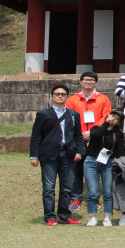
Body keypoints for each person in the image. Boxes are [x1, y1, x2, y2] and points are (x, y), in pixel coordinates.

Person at [30, 84, 85, 226]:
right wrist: (34, 156)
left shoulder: (73, 115)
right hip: (49, 154)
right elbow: (36, 136)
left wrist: (79, 151)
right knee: (48, 187)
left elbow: (78, 135)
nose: (60, 96)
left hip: (68, 153)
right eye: (57, 94)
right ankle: (49, 216)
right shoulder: (43, 114)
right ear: (52, 96)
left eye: (63, 94)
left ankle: (64, 215)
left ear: (67, 96)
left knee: (67, 187)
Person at [66, 72, 113, 211]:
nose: (89, 82)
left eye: (92, 80)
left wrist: (92, 132)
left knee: (95, 169)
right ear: (80, 82)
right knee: (77, 169)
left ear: (96, 82)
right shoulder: (72, 99)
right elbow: (69, 117)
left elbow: (106, 116)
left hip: (97, 139)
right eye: (86, 80)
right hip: (78, 138)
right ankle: (76, 198)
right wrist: (80, 133)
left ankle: (95, 198)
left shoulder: (103, 99)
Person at [81, 111, 125, 227]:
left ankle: (107, 217)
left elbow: (120, 151)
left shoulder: (119, 135)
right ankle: (92, 217)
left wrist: (109, 152)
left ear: (119, 122)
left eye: (116, 118)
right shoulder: (97, 128)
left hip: (107, 162)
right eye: (112, 116)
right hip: (91, 161)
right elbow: (95, 135)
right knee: (93, 192)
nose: (113, 119)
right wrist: (106, 124)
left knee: (107, 192)